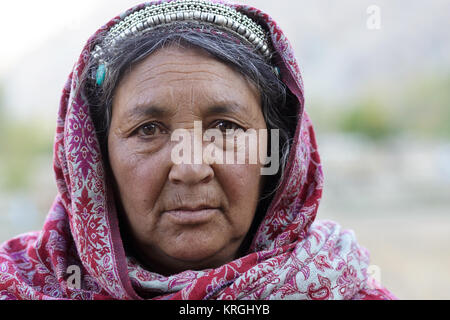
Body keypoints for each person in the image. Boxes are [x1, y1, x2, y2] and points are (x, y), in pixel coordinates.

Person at [0, 0, 395, 300]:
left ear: (280, 157)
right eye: (148, 130)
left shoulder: (342, 284)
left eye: (225, 128)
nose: (190, 168)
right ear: (95, 160)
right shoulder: (19, 285)